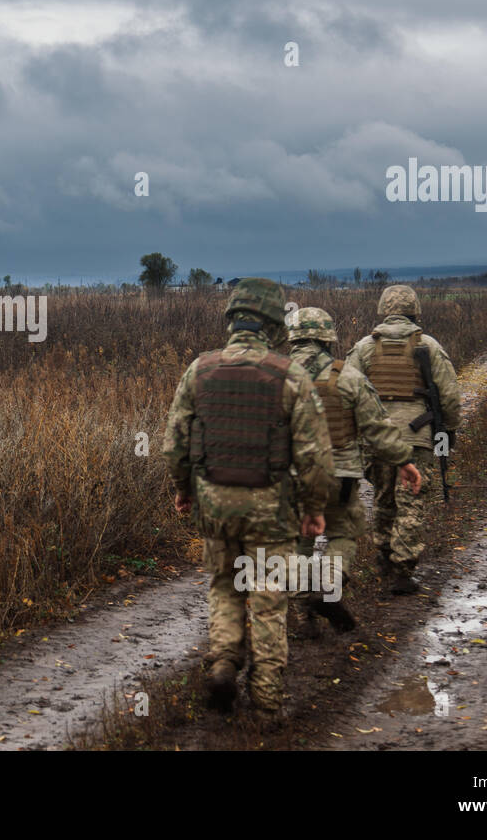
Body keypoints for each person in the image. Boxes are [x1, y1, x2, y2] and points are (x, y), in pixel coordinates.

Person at [162, 278, 332, 718]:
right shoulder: (289, 375)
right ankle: (267, 702)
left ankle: (223, 662)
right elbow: (314, 455)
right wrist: (314, 509)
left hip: (215, 504)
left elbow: (175, 444)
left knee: (224, 587)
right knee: (268, 599)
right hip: (270, 508)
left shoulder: (199, 370)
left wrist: (184, 491)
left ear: (232, 319)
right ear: (274, 324)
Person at [284, 307, 422, 633]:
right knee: (343, 533)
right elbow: (378, 429)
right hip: (339, 477)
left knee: (297, 542)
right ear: (327, 340)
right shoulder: (347, 377)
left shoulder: (275, 377)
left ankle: (303, 617)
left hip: (289, 478)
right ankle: (329, 585)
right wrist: (405, 460)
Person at [344, 285, 461, 595]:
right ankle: (402, 570)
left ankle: (383, 557)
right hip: (416, 437)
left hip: (376, 439)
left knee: (383, 499)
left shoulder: (364, 348)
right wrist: (448, 430)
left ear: (384, 309)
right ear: (415, 310)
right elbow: (449, 395)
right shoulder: (430, 346)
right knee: (411, 502)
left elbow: (347, 392)